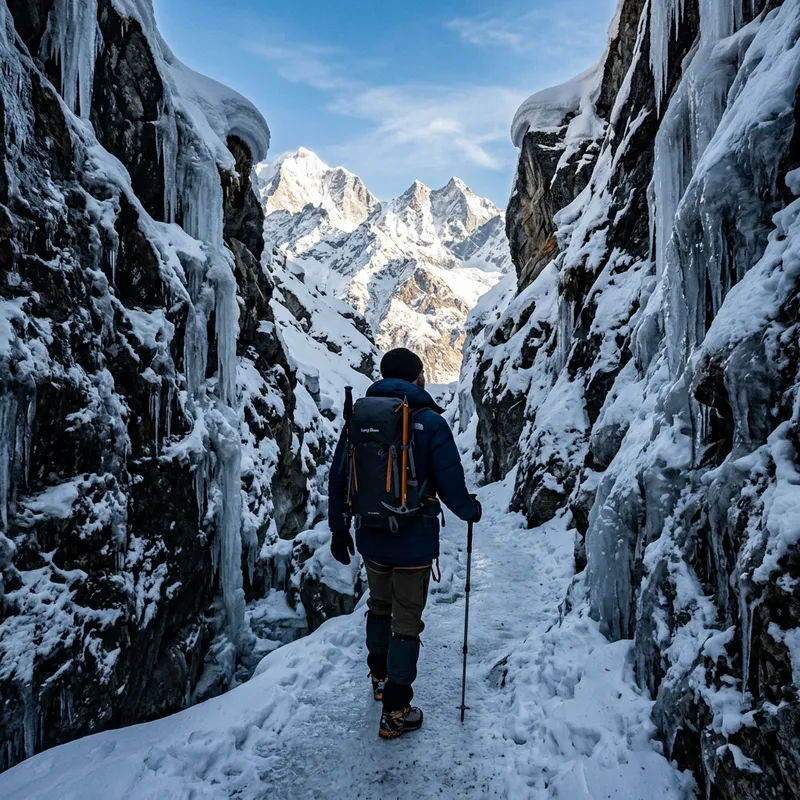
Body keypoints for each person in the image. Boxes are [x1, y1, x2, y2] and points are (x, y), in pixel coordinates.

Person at [328, 347, 482, 739]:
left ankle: (379, 680)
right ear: (417, 377)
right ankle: (397, 709)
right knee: (406, 621)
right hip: (414, 539)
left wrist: (338, 529)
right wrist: (469, 511)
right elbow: (449, 481)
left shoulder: (359, 418)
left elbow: (339, 476)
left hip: (370, 536)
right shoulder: (428, 421)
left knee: (378, 608)